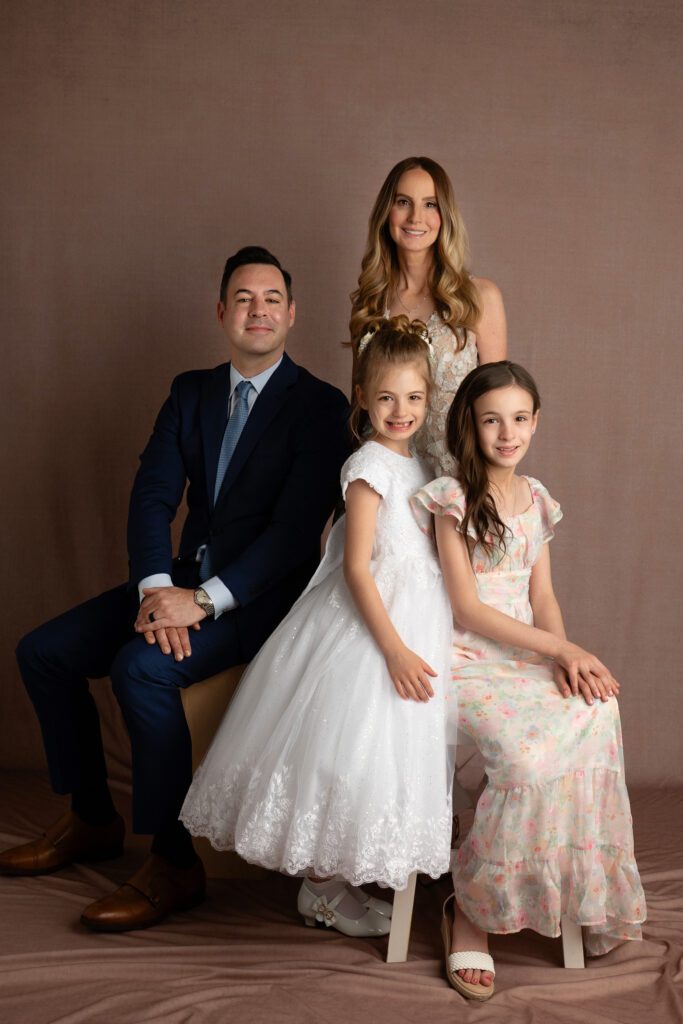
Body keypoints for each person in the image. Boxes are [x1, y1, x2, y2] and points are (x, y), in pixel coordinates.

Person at [1, 246, 350, 932]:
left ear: (291, 314)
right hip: (178, 579)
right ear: (221, 313)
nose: (257, 310)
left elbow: (292, 533)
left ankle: (172, 859)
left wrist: (207, 599)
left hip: (263, 599)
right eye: (243, 299)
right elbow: (153, 496)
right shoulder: (189, 391)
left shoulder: (319, 405)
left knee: (141, 669)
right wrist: (158, 588)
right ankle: (93, 819)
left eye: (271, 298)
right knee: (42, 651)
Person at [180, 317, 455, 936]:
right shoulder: (367, 467)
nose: (400, 410)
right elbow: (357, 569)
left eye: (413, 397)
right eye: (385, 397)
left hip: (414, 622)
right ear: (361, 396)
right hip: (367, 632)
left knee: (381, 758)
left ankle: (344, 879)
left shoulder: (424, 466)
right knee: (340, 754)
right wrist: (394, 651)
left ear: (429, 398)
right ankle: (322, 890)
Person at [411, 361, 645, 1001]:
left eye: (519, 419)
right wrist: (561, 648)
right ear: (470, 424)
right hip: (469, 658)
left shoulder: (537, 497)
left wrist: (563, 658)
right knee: (527, 753)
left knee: (597, 712)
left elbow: (542, 595)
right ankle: (472, 907)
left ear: (535, 422)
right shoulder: (451, 498)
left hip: (528, 654)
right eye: (492, 420)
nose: (506, 433)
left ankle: (579, 892)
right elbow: (468, 608)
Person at [350, 156, 508, 475]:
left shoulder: (479, 297)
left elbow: (496, 409)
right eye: (403, 202)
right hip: (386, 479)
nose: (415, 217)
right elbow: (359, 406)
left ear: (445, 214)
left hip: (455, 480)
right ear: (387, 212)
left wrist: (484, 493)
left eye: (430, 204)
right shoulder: (369, 302)